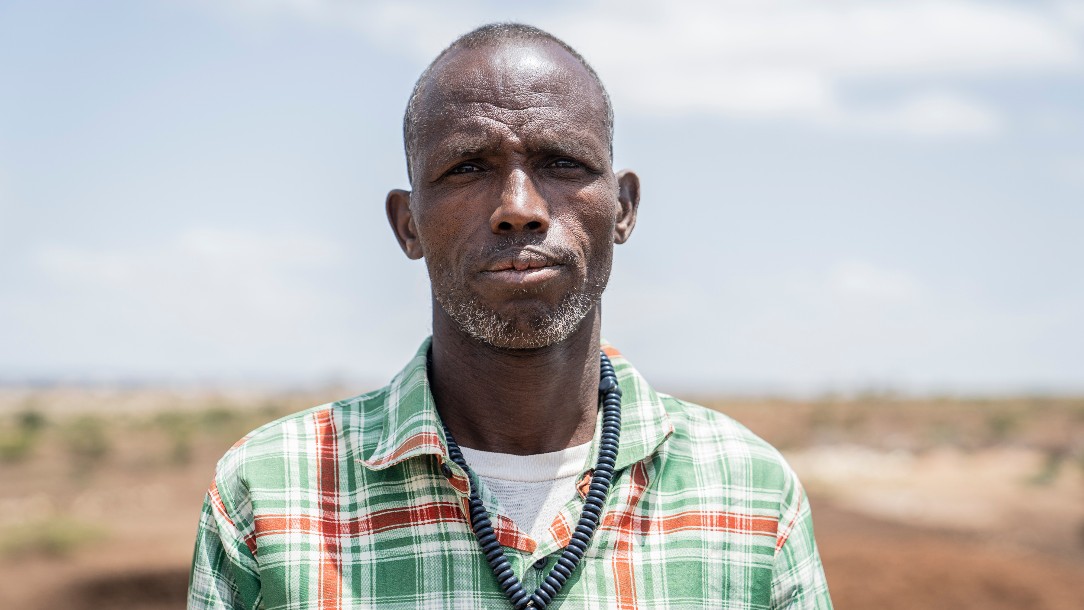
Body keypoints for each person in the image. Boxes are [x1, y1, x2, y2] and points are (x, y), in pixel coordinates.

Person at [188, 23, 833, 610]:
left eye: (562, 163)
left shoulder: (749, 495)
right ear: (408, 224)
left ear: (623, 208)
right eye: (468, 167)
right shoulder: (270, 499)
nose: (519, 208)